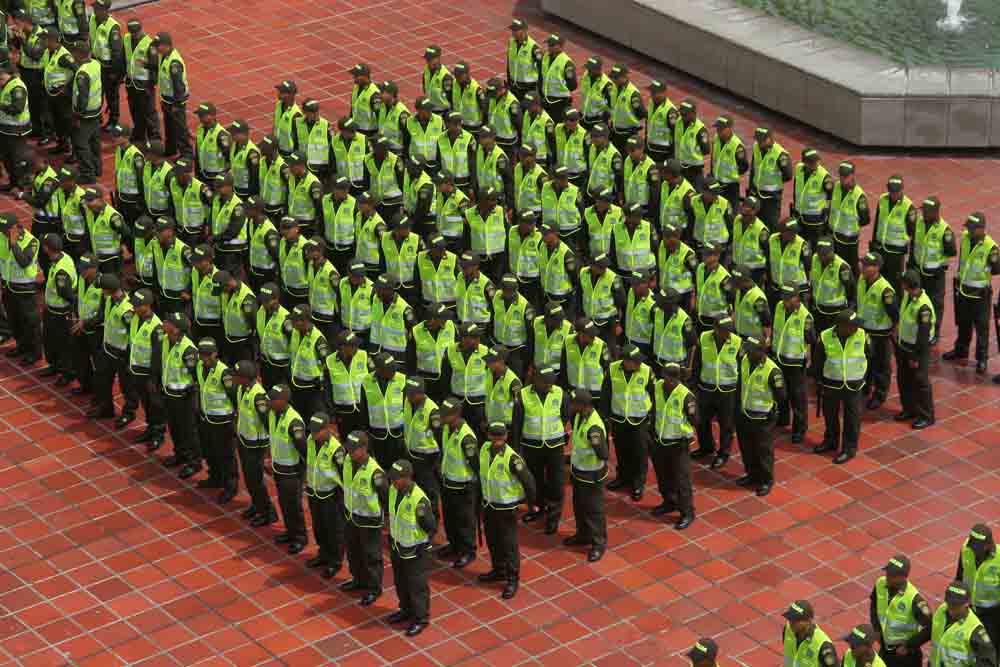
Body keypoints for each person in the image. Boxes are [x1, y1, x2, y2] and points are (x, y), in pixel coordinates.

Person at [479, 421, 536, 599]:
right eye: (493, 435)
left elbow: (528, 482)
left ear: (505, 436)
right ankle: (498, 570)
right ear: (489, 435)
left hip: (506, 508)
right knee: (493, 540)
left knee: (509, 544)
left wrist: (530, 505)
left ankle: (512, 579)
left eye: (500, 436)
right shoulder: (484, 449)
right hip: (489, 504)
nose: (496, 440)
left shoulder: (512, 458)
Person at [513, 365, 567, 534]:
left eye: (551, 382)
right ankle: (538, 508)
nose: (549, 385)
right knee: (535, 480)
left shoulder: (560, 394)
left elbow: (565, 417)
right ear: (536, 380)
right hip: (532, 446)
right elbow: (517, 424)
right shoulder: (522, 395)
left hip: (555, 446)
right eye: (545, 382)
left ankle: (553, 517)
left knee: (556, 482)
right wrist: (516, 450)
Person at [943, 213, 999, 376]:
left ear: (981, 229)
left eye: (972, 228)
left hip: (980, 294)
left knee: (982, 328)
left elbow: (996, 269)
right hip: (963, 290)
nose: (969, 231)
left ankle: (982, 359)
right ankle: (961, 351)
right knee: (963, 323)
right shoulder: (965, 239)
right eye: (968, 227)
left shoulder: (991, 247)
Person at [386, 458, 436, 636]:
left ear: (408, 477)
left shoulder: (419, 500)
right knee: (401, 581)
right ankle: (406, 610)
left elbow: (430, 526)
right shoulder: (393, 490)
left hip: (415, 550)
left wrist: (423, 544)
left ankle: (420, 618)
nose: (393, 481)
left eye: (397, 478)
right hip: (398, 545)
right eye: (392, 477)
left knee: (417, 585)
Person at [814, 309, 869, 464]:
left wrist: (864, 378)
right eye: (854, 325)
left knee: (852, 418)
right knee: (830, 414)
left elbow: (869, 355)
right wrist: (819, 382)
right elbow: (818, 361)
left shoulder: (862, 335)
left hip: (854, 385)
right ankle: (830, 441)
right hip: (831, 383)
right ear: (842, 326)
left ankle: (849, 449)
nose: (857, 327)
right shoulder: (825, 336)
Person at [340, 430, 387, 607]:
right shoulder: (347, 460)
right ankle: (358, 579)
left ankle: (374, 588)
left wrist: (385, 517)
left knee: (371, 555)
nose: (350, 452)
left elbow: (384, 496)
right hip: (351, 514)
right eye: (349, 449)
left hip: (369, 520)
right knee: (353, 550)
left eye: (354, 449)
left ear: (364, 448)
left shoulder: (375, 472)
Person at [260, 383, 308, 553]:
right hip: (279, 469)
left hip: (292, 472)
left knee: (293, 505)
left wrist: (305, 474)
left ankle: (300, 537)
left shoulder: (294, 422)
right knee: (284, 503)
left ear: (283, 401)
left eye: (273, 400)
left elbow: (303, 450)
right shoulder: (273, 414)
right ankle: (290, 531)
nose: (269, 402)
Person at [735, 336, 784, 496]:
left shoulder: (773, 371)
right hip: (745, 413)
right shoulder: (744, 360)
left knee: (763, 450)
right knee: (747, 447)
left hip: (763, 418)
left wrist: (771, 411)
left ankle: (766, 480)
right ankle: (752, 474)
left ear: (761, 351)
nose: (747, 352)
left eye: (751, 350)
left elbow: (781, 395)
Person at [231, 360, 278, 528]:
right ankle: (256, 505)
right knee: (249, 478)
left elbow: (267, 422)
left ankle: (268, 512)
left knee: (256, 480)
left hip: (255, 445)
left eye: (237, 375)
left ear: (244, 378)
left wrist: (269, 451)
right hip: (244, 440)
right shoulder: (242, 389)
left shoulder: (259, 396)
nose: (234, 377)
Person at [651, 362, 697, 529]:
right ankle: (669, 502)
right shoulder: (657, 386)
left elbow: (694, 419)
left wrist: (686, 433)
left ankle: (687, 512)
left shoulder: (686, 396)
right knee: (663, 475)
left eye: (671, 379)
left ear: (677, 379)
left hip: (678, 444)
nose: (667, 381)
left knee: (681, 479)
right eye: (665, 377)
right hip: (660, 440)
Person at [605, 344, 654, 501]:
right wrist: (605, 417)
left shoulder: (646, 371)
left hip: (639, 420)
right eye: (635, 361)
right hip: (619, 418)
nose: (639, 363)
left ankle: (638, 483)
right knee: (621, 450)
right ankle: (623, 477)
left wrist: (653, 418)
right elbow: (606, 393)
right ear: (625, 361)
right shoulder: (612, 369)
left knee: (640, 452)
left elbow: (654, 395)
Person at [156, 312, 202, 478]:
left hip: (184, 397)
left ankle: (194, 462)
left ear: (176, 329)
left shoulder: (188, 350)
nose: (164, 322)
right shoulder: (166, 340)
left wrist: (190, 392)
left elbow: (196, 375)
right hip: (170, 393)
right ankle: (180, 454)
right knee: (174, 427)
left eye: (169, 322)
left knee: (188, 430)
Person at [691, 316, 741, 468]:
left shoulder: (737, 342)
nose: (727, 334)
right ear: (715, 328)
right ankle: (706, 447)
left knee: (726, 424)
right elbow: (697, 362)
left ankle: (723, 453)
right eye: (724, 331)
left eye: (729, 331)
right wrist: (694, 384)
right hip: (706, 388)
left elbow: (742, 368)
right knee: (701, 420)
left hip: (728, 391)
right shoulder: (704, 338)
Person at [194, 337, 239, 504]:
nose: (205, 357)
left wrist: (235, 417)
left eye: (208, 354)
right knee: (209, 451)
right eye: (202, 354)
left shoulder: (224, 373)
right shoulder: (199, 367)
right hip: (207, 418)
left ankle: (230, 486)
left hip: (223, 422)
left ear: (215, 354)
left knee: (226, 455)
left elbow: (234, 396)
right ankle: (215, 477)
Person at [565, 389, 607, 561]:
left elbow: (603, 454)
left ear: (582, 405)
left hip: (592, 475)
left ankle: (598, 544)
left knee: (593, 510)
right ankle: (583, 535)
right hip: (579, 472)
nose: (571, 406)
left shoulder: (594, 428)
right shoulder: (578, 416)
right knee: (580, 506)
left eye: (573, 403)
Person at [868, 555, 932, 667]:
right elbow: (874, 605)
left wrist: (909, 645)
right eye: (887, 573)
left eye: (892, 575)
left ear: (903, 577)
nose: (887, 577)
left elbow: (930, 628)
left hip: (906, 656)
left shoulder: (914, 600)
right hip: (885, 650)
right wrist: (876, 628)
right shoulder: (880, 584)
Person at [304, 412, 346, 580]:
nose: (314, 434)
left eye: (317, 431)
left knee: (333, 530)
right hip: (314, 492)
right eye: (312, 430)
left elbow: (344, 474)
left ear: (327, 429)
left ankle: (335, 561)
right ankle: (323, 554)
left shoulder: (336, 450)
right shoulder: (310, 440)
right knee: (319, 526)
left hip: (331, 495)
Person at [124, 288, 166, 449]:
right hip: (137, 370)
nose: (134, 308)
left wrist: (153, 379)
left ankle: (158, 434)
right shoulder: (135, 318)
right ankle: (150, 428)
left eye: (137, 305)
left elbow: (158, 356)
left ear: (147, 305)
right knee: (146, 404)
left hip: (149, 374)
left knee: (155, 405)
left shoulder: (157, 327)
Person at [772, 285, 815, 444]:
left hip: (795, 363)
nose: (785, 301)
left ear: (797, 297)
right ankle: (783, 418)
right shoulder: (779, 307)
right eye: (784, 297)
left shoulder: (806, 317)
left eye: (789, 298)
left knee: (798, 398)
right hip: (779, 357)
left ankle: (799, 429)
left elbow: (810, 340)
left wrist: (808, 357)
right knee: (781, 392)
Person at [90, 273, 134, 419]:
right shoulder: (109, 300)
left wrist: (130, 358)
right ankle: (106, 408)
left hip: (122, 354)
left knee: (127, 386)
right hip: (108, 349)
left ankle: (128, 413)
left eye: (103, 289)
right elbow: (103, 317)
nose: (101, 291)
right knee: (103, 379)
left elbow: (133, 335)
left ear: (109, 289)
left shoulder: (127, 310)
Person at [911, 196, 955, 343]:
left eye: (927, 211)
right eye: (923, 210)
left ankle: (935, 332)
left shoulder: (944, 230)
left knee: (935, 304)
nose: (924, 213)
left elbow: (951, 251)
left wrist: (939, 264)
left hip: (935, 275)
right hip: (919, 271)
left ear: (936, 212)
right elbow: (914, 244)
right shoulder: (919, 223)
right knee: (918, 300)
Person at [895, 270, 935, 429]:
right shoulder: (908, 296)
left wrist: (916, 356)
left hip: (917, 349)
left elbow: (923, 335)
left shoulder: (923, 307)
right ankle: (909, 409)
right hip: (904, 345)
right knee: (904, 379)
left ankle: (926, 415)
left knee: (920, 381)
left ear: (907, 285)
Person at [857, 251, 897, 410]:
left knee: (881, 365)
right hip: (864, 330)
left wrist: (893, 332)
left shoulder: (885, 290)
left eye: (867, 266)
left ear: (877, 268)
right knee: (866, 362)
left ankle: (880, 394)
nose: (863, 267)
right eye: (863, 264)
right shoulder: (861, 280)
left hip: (880, 334)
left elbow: (894, 314)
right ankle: (865, 387)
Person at [928, 582, 996, 667]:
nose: (951, 609)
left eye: (956, 605)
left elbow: (989, 662)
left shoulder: (975, 630)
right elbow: (932, 631)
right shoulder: (942, 610)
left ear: (967, 604)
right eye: (949, 604)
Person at [358, 351, 407, 467]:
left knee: (399, 467)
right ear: (379, 370)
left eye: (394, 368)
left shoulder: (402, 379)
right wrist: (365, 431)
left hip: (398, 435)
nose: (394, 372)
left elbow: (407, 407)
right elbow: (364, 409)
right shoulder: (366, 382)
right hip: (377, 435)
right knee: (382, 466)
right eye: (390, 370)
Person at [40, 234, 76, 386]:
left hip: (60, 312)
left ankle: (67, 373)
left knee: (63, 344)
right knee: (50, 341)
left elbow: (65, 293)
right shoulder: (63, 257)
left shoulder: (61, 270)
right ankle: (54, 366)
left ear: (47, 248)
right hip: (52, 310)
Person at [957, 524, 1000, 648]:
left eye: (977, 548)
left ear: (988, 546)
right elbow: (959, 576)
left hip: (993, 614)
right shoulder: (966, 549)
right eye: (972, 546)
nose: (973, 550)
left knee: (991, 646)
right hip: (970, 609)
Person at [288, 304, 329, 425]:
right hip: (296, 384)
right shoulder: (295, 332)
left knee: (314, 420)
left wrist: (321, 381)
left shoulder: (318, 340)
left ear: (305, 321)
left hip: (312, 389)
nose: (293, 324)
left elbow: (326, 364)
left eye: (296, 321)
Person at [122, 19, 161, 145]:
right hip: (131, 82)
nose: (134, 34)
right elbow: (124, 57)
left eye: (136, 32)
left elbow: (155, 65)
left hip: (144, 84)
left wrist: (146, 66)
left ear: (141, 29)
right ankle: (139, 135)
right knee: (135, 110)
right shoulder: (126, 39)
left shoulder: (150, 44)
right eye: (132, 32)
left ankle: (154, 138)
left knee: (149, 112)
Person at [154, 32, 192, 160]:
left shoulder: (174, 63)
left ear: (166, 45)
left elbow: (178, 86)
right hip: (167, 99)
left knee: (180, 129)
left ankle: (186, 154)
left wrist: (176, 104)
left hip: (175, 102)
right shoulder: (164, 56)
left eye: (158, 45)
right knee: (169, 127)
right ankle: (171, 150)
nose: (156, 48)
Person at [70, 253, 103, 396]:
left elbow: (103, 314)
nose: (81, 271)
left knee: (98, 365)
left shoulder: (103, 285)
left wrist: (85, 323)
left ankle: (99, 393)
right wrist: (75, 315)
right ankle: (86, 385)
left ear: (94, 268)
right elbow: (78, 298)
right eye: (80, 268)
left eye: (85, 268)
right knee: (81, 359)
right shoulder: (82, 279)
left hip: (96, 331)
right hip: (81, 327)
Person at [829, 160, 869, 271]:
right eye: (841, 175)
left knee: (849, 268)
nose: (842, 178)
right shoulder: (836, 187)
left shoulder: (859, 196)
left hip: (849, 241)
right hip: (834, 235)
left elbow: (865, 220)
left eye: (845, 176)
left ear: (852, 175)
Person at [748, 128, 792, 229]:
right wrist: (751, 188)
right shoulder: (756, 147)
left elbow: (788, 175)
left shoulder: (780, 154)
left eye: (761, 140)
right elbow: (754, 169)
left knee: (770, 225)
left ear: (770, 139)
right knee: (755, 224)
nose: (759, 142)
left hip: (771, 198)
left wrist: (773, 183)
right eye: (757, 139)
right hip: (756, 193)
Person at [89, 0, 123, 130]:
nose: (95, 10)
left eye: (98, 8)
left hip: (108, 67)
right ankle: (97, 118)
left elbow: (116, 53)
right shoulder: (92, 19)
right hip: (96, 63)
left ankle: (113, 121)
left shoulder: (113, 27)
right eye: (95, 7)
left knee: (111, 96)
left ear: (105, 10)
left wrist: (114, 72)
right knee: (97, 92)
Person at [792, 148, 833, 247]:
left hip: (815, 220)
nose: (816, 164)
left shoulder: (824, 177)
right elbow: (796, 188)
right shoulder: (798, 169)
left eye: (817, 160)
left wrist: (826, 214)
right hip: (799, 215)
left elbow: (831, 197)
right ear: (804, 162)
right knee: (800, 244)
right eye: (812, 162)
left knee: (816, 246)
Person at [0, 65, 31, 191]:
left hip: (17, 129)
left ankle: (20, 184)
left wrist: (1, 106)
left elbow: (18, 108)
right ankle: (13, 183)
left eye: (1, 78)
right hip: (6, 128)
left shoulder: (17, 87)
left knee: (16, 158)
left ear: (7, 75)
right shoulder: (6, 85)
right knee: (7, 157)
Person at [781, 600, 838, 667]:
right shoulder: (788, 630)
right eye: (790, 618)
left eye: (796, 620)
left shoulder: (824, 646)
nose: (791, 623)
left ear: (809, 621)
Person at [710, 116, 747, 205]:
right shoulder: (716, 139)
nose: (718, 131)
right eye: (717, 128)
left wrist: (731, 176)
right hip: (717, 182)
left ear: (729, 128)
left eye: (721, 129)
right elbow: (713, 159)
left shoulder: (737, 146)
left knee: (731, 209)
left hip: (730, 187)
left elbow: (744, 167)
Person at [674, 100, 710, 190]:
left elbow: (706, 150)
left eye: (685, 114)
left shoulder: (700, 130)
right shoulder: (678, 122)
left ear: (693, 113)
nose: (682, 116)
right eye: (681, 113)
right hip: (680, 167)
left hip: (694, 170)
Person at [540, 34, 575, 122]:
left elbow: (572, 86)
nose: (549, 47)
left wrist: (561, 86)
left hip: (560, 102)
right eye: (548, 44)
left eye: (552, 45)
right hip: (546, 99)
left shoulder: (567, 63)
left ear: (560, 46)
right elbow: (542, 76)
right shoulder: (545, 57)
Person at [194, 102, 231, 184]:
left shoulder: (221, 135)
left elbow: (230, 159)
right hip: (203, 174)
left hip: (216, 178)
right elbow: (198, 152)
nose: (199, 118)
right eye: (199, 115)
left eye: (202, 115)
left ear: (213, 115)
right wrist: (197, 174)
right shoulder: (200, 129)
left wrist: (222, 177)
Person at [506, 19, 541, 100]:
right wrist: (509, 80)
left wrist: (539, 88)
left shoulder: (534, 48)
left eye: (516, 30)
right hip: (513, 85)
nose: (513, 32)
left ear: (524, 30)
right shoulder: (511, 42)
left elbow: (541, 69)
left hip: (528, 88)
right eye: (512, 30)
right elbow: (509, 63)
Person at [348, 63, 379, 138]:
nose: (354, 78)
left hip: (369, 132)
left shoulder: (374, 94)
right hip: (356, 128)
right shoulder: (356, 87)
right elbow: (353, 107)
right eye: (354, 75)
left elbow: (380, 116)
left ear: (365, 76)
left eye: (356, 76)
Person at [272, 79, 301, 158]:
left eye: (281, 92)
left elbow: (298, 139)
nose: (278, 93)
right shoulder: (278, 105)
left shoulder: (296, 114)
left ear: (290, 95)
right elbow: (275, 125)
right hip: (277, 149)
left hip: (288, 154)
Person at [421, 45, 452, 115]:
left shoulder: (445, 77)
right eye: (427, 59)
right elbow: (425, 87)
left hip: (443, 113)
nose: (428, 62)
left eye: (430, 59)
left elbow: (451, 98)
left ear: (438, 58)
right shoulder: (426, 70)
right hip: (430, 110)